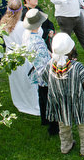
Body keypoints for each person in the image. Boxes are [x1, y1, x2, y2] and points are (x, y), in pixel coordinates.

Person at [40, 33, 84, 156]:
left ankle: (66, 146)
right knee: (83, 124)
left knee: (63, 124)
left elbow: (46, 79)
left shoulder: (50, 65)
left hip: (59, 102)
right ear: (71, 50)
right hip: (77, 101)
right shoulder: (77, 67)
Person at [0, 0, 40, 115]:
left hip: (11, 56)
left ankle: (19, 100)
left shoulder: (3, 24)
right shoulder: (23, 26)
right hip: (23, 56)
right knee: (28, 82)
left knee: (16, 81)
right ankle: (31, 103)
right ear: (21, 10)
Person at [22, 8, 58, 136]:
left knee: (41, 96)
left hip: (36, 72)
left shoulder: (31, 37)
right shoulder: (37, 41)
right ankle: (53, 127)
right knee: (49, 99)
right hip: (44, 74)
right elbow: (44, 62)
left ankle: (44, 119)